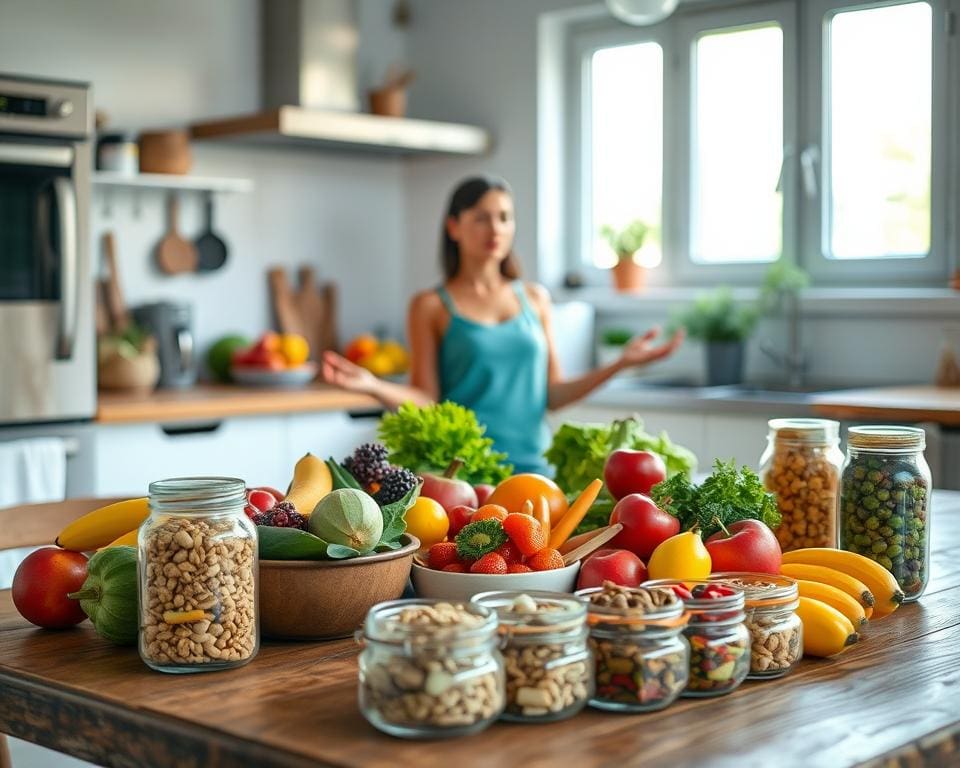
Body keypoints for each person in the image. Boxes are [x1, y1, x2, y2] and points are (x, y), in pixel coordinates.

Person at [322, 175, 684, 474]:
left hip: (537, 471)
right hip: (465, 474)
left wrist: (620, 364)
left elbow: (553, 394)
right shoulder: (430, 306)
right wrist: (373, 385)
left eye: (504, 217)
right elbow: (426, 398)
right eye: (481, 217)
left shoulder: (535, 299)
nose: (494, 228)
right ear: (454, 227)